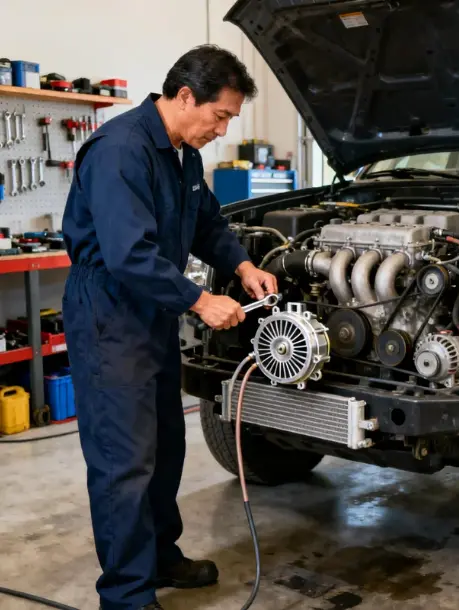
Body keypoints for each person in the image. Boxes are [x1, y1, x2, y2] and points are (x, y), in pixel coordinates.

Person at [62, 45, 278, 610]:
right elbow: (129, 255)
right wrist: (201, 301)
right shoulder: (120, 150)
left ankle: (159, 556)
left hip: (153, 311)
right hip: (111, 310)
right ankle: (127, 595)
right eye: (220, 115)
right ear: (185, 97)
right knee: (123, 459)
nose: (223, 129)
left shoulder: (183, 155)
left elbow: (206, 221)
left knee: (165, 445)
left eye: (230, 119)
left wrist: (243, 264)